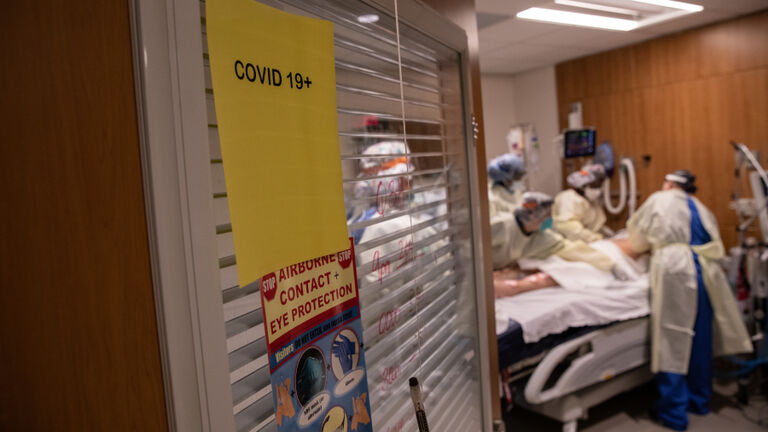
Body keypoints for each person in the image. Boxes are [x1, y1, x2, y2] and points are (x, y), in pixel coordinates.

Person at [627, 170, 752, 431]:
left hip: (675, 270)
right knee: (699, 339)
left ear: (670, 183)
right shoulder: (700, 207)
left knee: (672, 338)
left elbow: (637, 238)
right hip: (705, 272)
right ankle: (699, 400)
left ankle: (673, 412)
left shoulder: (659, 199)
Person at [553, 164, 608, 242]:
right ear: (584, 184)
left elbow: (596, 227)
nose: (597, 190)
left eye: (599, 186)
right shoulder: (568, 198)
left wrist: (610, 236)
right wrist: (597, 238)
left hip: (586, 242)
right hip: (567, 243)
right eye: (594, 185)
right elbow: (571, 229)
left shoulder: (591, 202)